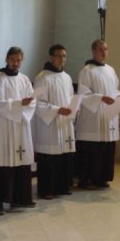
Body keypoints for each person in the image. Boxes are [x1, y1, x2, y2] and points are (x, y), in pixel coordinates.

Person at [0, 47, 36, 215]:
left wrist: (26, 105)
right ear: (7, 59)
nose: (15, 63)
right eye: (13, 59)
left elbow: (32, 102)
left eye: (18, 60)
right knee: (3, 163)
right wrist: (19, 104)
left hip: (21, 126)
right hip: (4, 127)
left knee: (20, 163)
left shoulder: (25, 79)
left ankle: (18, 199)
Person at [75, 39, 120, 189]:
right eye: (101, 49)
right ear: (93, 51)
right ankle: (85, 180)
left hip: (108, 116)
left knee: (105, 149)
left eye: (106, 49)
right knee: (91, 149)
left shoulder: (111, 70)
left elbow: (114, 89)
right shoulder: (87, 71)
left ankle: (100, 178)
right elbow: (83, 95)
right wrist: (101, 98)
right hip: (93, 118)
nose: (104, 52)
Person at [33, 44, 76, 199]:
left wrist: (74, 108)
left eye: (64, 56)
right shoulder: (42, 77)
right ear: (51, 57)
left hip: (64, 123)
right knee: (50, 157)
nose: (61, 59)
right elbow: (38, 103)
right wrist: (57, 110)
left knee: (63, 155)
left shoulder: (67, 77)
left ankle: (62, 187)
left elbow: (71, 98)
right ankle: (47, 189)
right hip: (49, 124)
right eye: (58, 56)